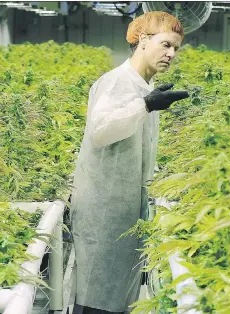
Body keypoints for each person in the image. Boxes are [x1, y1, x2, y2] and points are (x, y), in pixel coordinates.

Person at [71, 11, 189, 314]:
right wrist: (146, 106)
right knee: (98, 295)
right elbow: (101, 131)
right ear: (144, 40)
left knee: (117, 295)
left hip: (123, 208)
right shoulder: (118, 83)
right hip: (105, 210)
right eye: (165, 45)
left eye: (176, 48)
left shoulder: (143, 86)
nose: (171, 54)